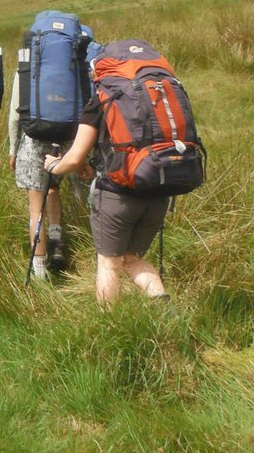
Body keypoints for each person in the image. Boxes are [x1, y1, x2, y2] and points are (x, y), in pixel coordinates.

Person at [43, 95, 171, 305]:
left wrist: (54, 167)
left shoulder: (103, 98)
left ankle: (110, 326)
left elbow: (75, 158)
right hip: (158, 191)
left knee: (109, 263)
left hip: (117, 195)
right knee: (131, 259)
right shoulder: (155, 94)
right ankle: (162, 304)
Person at [8, 69, 68, 279]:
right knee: (53, 188)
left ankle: (40, 272)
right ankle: (57, 244)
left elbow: (16, 115)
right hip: (64, 141)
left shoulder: (25, 66)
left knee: (36, 209)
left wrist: (13, 149)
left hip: (33, 141)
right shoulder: (69, 61)